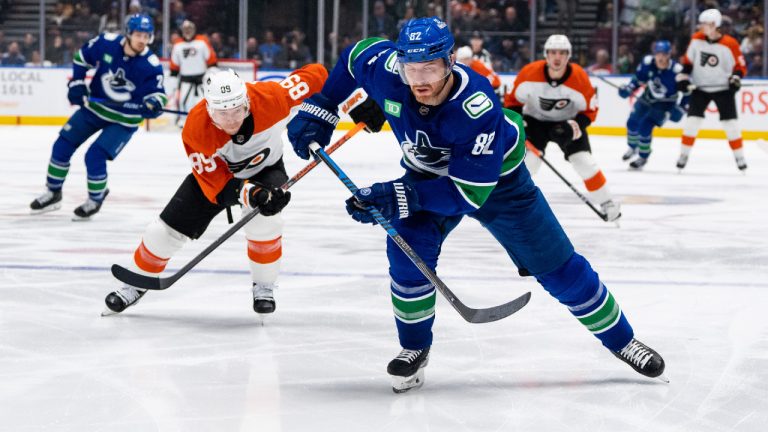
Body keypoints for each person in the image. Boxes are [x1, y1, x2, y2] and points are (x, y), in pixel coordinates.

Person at [286, 17, 666, 393]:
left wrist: (397, 196)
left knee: (556, 266)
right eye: (410, 69)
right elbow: (357, 54)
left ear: (451, 61)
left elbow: (469, 195)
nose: (419, 80)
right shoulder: (389, 71)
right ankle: (415, 347)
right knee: (406, 250)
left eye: (430, 68)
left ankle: (623, 341)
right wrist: (322, 105)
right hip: (428, 175)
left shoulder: (475, 105)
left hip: (499, 183)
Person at [102, 67, 384, 315]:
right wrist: (250, 193)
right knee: (163, 232)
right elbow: (217, 181)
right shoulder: (196, 129)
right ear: (209, 108)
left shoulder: (272, 97)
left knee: (266, 223)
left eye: (237, 110)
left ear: (247, 102)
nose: (231, 120)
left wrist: (354, 100)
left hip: (267, 169)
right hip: (220, 179)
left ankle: (264, 286)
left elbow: (321, 76)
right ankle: (135, 283)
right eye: (221, 114)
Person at [29, 14, 167, 220]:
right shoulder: (106, 43)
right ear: (128, 33)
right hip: (94, 109)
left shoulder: (151, 64)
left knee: (94, 156)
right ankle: (53, 192)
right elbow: (81, 58)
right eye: (138, 35)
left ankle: (95, 198)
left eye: (147, 36)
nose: (142, 40)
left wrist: (154, 104)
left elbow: (159, 94)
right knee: (62, 145)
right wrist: (76, 82)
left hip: (124, 120)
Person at [504, 34, 621, 222]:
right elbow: (512, 102)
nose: (557, 57)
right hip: (535, 122)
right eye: (553, 52)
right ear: (546, 55)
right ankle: (509, 203)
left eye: (562, 53)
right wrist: (520, 124)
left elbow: (590, 111)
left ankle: (608, 203)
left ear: (569, 56)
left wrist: (574, 126)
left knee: (583, 161)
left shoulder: (579, 77)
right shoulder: (529, 73)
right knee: (529, 163)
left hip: (567, 122)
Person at [676, 8, 748, 172]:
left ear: (715, 25)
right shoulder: (696, 40)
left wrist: (735, 79)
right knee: (692, 123)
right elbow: (688, 63)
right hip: (700, 88)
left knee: (731, 125)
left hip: (723, 89)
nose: (701, 27)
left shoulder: (730, 44)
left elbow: (740, 67)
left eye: (705, 24)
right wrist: (683, 78)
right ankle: (683, 155)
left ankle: (739, 157)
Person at [618, 40, 689, 169]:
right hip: (647, 98)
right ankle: (632, 147)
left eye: (664, 54)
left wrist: (682, 107)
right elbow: (638, 79)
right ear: (654, 54)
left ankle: (643, 157)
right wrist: (629, 88)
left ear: (669, 55)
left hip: (665, 104)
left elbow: (688, 92)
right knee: (632, 123)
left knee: (645, 127)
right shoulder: (647, 63)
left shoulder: (676, 71)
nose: (661, 58)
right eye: (658, 54)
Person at [169, 19, 218, 127]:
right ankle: (184, 120)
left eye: (189, 29)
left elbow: (212, 62)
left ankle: (205, 122)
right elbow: (174, 67)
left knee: (204, 103)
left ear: (194, 29)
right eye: (185, 29)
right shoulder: (177, 45)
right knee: (184, 102)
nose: (187, 31)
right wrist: (172, 81)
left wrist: (210, 75)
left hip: (201, 81)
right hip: (185, 81)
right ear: (182, 30)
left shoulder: (202, 41)